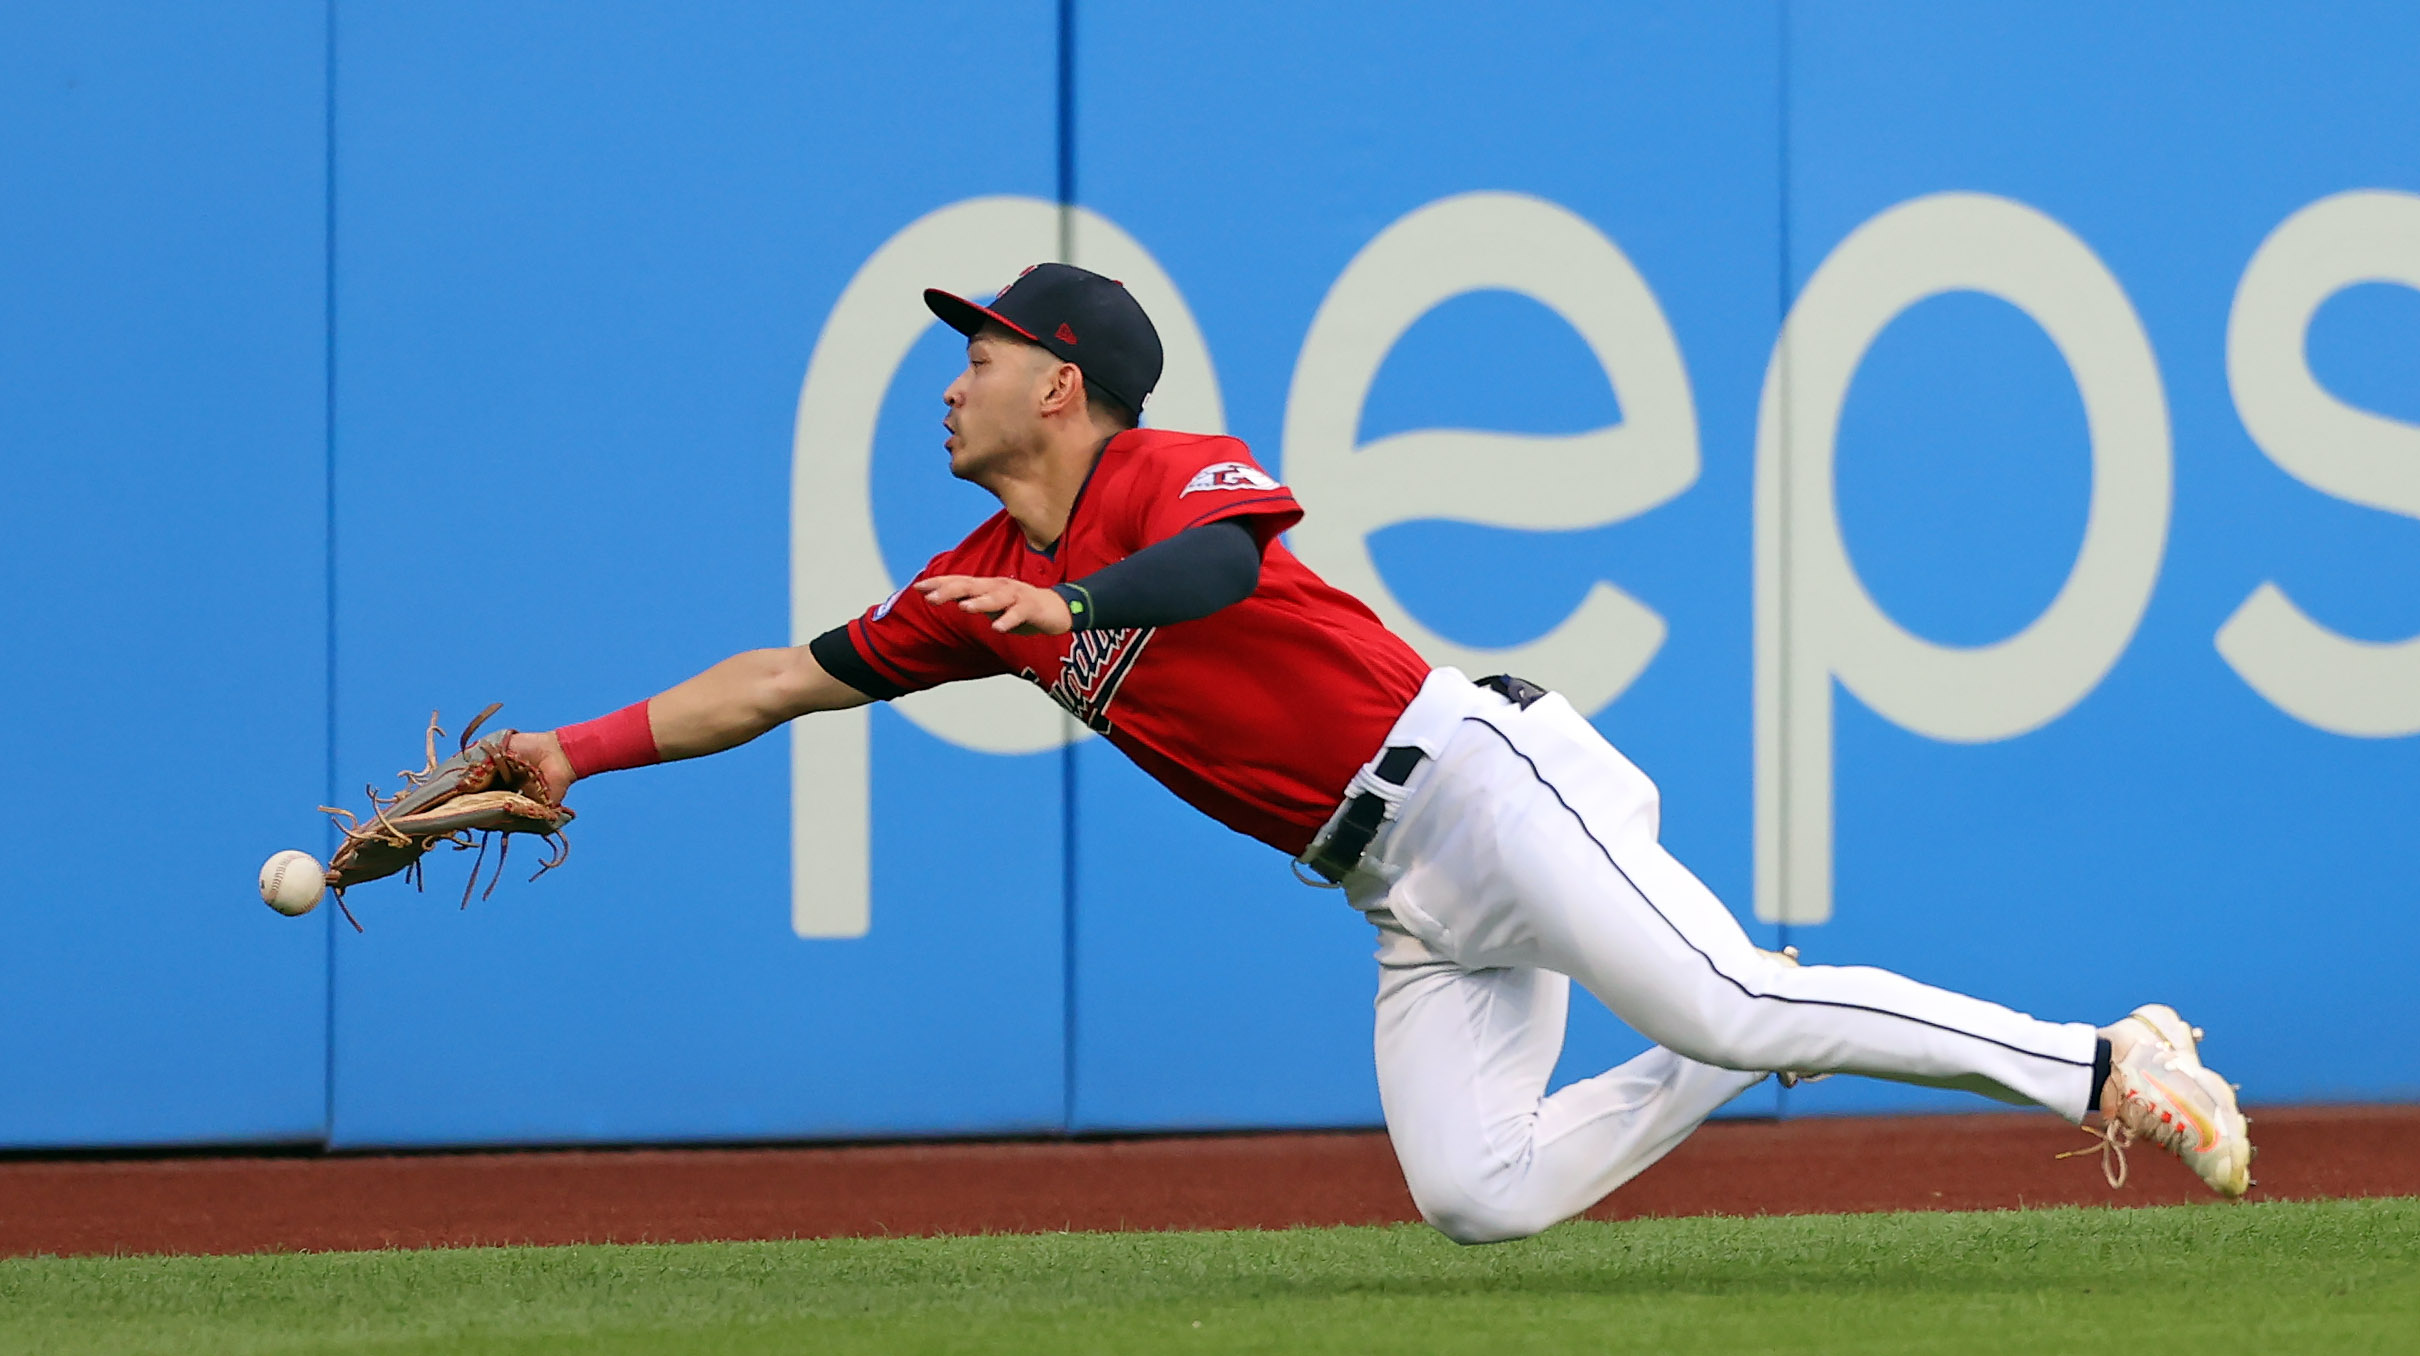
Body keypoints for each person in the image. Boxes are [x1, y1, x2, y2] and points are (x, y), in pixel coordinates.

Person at [507, 263, 2252, 1243]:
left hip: (1485, 780)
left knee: (1724, 1002)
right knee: (1478, 1195)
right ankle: (1731, 1017)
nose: (947, 382)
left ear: (1066, 384)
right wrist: (573, 753)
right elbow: (774, 684)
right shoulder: (973, 584)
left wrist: (1087, 601)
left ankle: (2108, 1061)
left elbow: (1227, 566)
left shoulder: (1159, 472)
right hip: (1399, 893)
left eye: (979, 354)